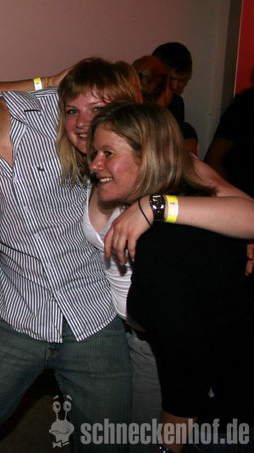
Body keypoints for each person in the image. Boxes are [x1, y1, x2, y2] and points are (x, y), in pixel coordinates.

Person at [0, 26, 131, 453]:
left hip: (94, 308)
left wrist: (164, 205)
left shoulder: (57, 111)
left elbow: (149, 147)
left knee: (108, 443)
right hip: (15, 311)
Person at [57, 58, 254, 452]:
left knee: (156, 437)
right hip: (124, 331)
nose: (82, 121)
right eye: (72, 111)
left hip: (163, 338)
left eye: (97, 108)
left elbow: (248, 215)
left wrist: (157, 206)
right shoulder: (92, 166)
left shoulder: (163, 172)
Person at [132, 55, 198, 155]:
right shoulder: (175, 132)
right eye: (171, 82)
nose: (175, 87)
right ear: (165, 90)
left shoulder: (119, 124)